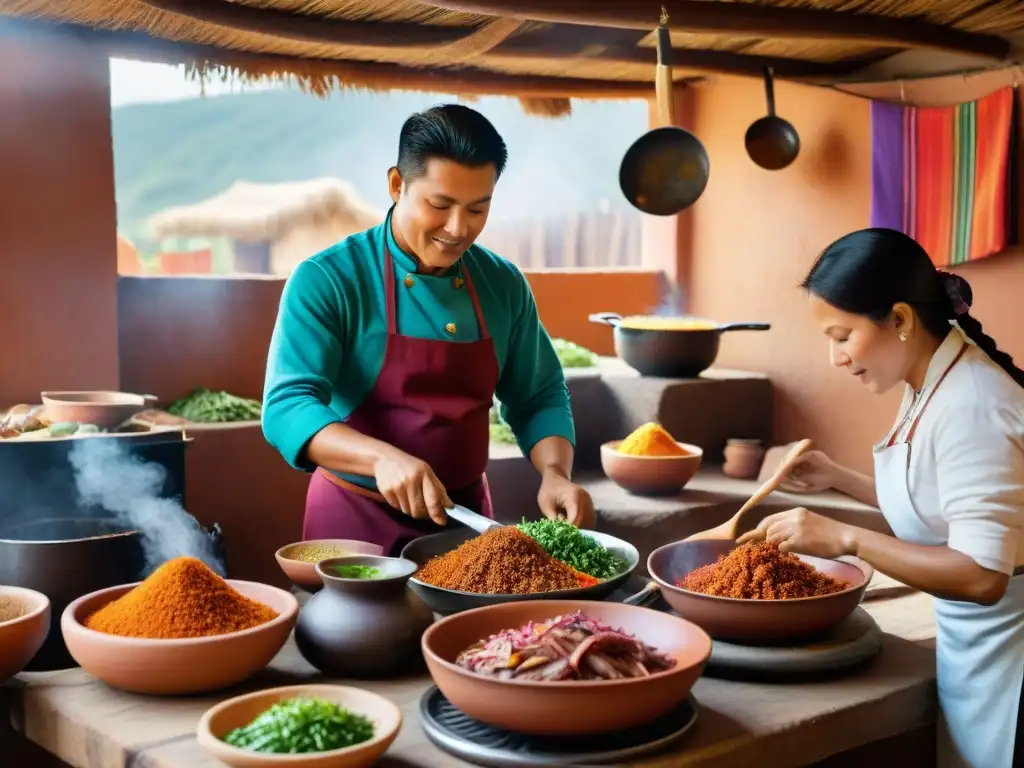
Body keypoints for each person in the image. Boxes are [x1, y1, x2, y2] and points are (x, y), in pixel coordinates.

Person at [738, 228, 1024, 768]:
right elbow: (944, 508)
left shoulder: (972, 406)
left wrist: (845, 537)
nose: (835, 357)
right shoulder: (931, 380)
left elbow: (984, 575)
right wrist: (838, 478)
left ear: (899, 319)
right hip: (973, 653)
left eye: (842, 335)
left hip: (1011, 663)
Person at [261, 103, 596, 557]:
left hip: (465, 523)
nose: (458, 229)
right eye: (439, 205)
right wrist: (379, 458)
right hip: (353, 524)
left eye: (478, 209)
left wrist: (555, 472)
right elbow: (287, 407)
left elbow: (538, 394)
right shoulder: (328, 279)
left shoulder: (503, 284)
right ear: (397, 185)